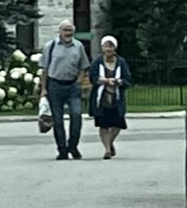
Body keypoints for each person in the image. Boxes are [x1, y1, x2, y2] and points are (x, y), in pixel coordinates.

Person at [39, 20, 89, 159]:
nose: (68, 33)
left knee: (76, 114)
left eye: (70, 30)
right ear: (59, 31)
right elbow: (44, 69)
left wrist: (79, 82)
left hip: (72, 85)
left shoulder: (78, 46)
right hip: (55, 85)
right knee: (58, 119)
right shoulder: (51, 46)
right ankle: (62, 149)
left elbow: (83, 66)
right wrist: (44, 89)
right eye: (66, 30)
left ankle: (73, 146)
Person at [88, 35, 130, 158]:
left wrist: (118, 82)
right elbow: (93, 77)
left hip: (116, 98)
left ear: (115, 48)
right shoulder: (97, 62)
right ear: (102, 47)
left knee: (118, 124)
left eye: (110, 46)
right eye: (106, 46)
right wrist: (105, 81)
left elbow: (127, 79)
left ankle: (110, 142)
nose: (108, 49)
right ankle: (107, 150)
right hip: (101, 98)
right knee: (104, 124)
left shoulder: (121, 62)